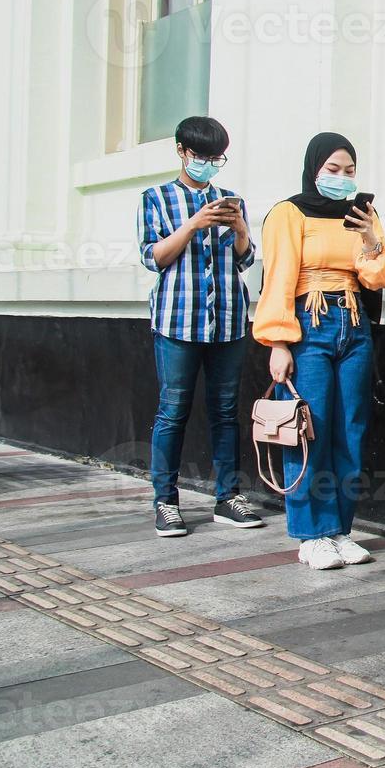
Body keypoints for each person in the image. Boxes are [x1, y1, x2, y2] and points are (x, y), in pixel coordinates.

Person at [253, 133, 385, 570]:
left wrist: (371, 235)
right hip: (307, 322)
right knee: (308, 428)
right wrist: (278, 342)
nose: (342, 178)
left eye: (349, 171)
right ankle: (310, 533)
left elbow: (378, 277)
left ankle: (339, 529)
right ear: (314, 168)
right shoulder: (288, 212)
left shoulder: (360, 215)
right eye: (333, 169)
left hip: (352, 323)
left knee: (350, 430)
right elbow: (277, 276)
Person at [138, 116, 265, 538]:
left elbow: (244, 261)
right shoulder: (155, 198)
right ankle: (165, 500)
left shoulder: (231, 199)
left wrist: (241, 229)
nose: (209, 165)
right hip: (177, 320)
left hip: (228, 320)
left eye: (216, 158)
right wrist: (193, 224)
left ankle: (228, 496)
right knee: (172, 411)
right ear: (181, 151)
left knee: (226, 412)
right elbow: (154, 257)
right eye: (201, 157)